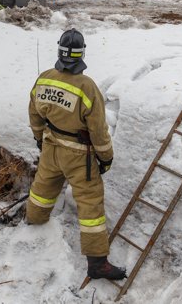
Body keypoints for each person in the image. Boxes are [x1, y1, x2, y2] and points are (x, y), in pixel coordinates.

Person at [26, 29, 127, 281]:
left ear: (59, 52)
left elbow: (34, 114)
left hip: (51, 147)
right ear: (81, 55)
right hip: (79, 155)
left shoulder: (45, 79)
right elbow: (98, 130)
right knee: (90, 203)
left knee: (42, 188)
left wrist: (40, 139)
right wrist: (105, 157)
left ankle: (33, 222)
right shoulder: (87, 87)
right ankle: (97, 263)